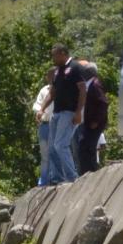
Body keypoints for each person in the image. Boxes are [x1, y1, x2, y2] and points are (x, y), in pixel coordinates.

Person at [45, 43, 87, 184]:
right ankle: (57, 178)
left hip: (69, 112)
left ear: (63, 53)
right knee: (52, 147)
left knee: (61, 144)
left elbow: (82, 90)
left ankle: (72, 177)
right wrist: (41, 108)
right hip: (56, 113)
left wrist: (79, 112)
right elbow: (53, 92)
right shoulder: (57, 71)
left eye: (55, 55)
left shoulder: (75, 67)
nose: (53, 58)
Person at [74, 57, 108, 176]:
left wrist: (96, 121)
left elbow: (103, 103)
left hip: (93, 124)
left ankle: (91, 174)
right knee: (84, 148)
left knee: (87, 148)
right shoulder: (90, 84)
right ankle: (87, 173)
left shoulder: (95, 85)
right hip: (88, 123)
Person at [32, 81, 60, 186]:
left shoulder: (62, 88)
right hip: (45, 124)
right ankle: (43, 181)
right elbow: (36, 105)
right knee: (45, 154)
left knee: (57, 151)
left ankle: (56, 178)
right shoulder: (44, 90)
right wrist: (41, 111)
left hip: (57, 124)